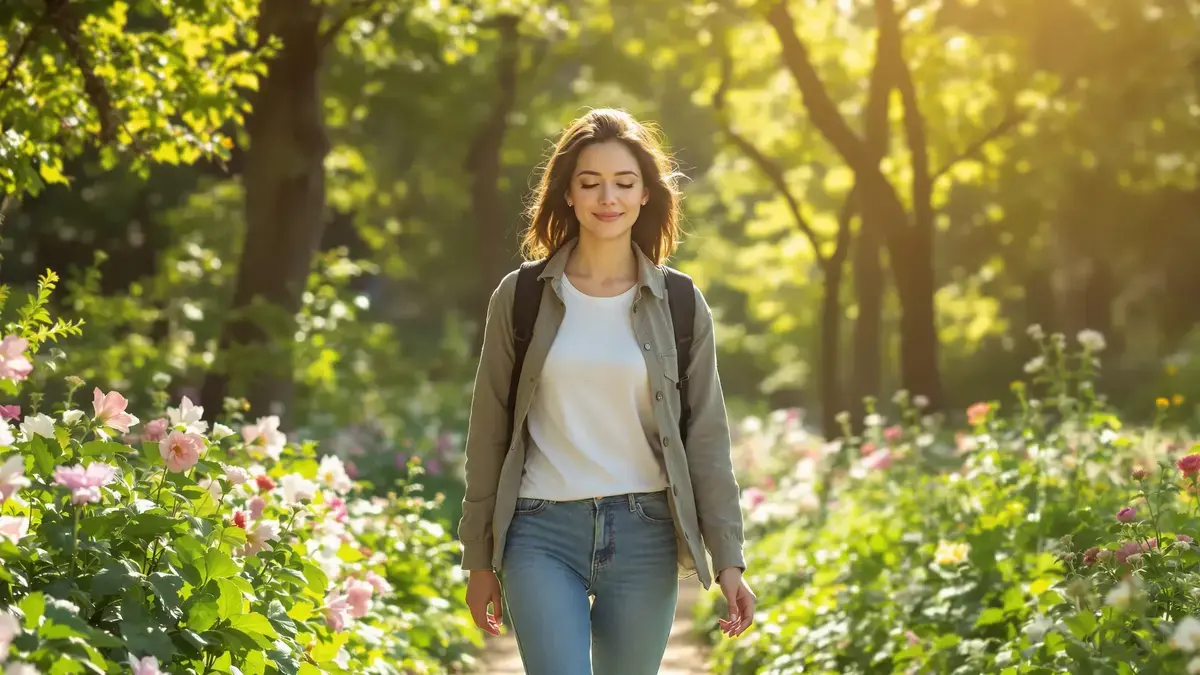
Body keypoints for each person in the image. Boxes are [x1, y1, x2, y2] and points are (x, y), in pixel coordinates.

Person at [457, 108, 755, 675]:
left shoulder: (682, 305)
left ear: (647, 195)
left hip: (645, 534)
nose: (607, 197)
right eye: (590, 183)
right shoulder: (518, 297)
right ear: (567, 193)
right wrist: (479, 559)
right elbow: (488, 433)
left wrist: (729, 561)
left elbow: (707, 440)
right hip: (539, 531)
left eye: (624, 183)